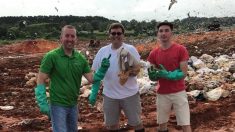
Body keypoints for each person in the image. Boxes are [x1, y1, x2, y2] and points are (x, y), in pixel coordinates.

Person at [34, 25, 110, 132]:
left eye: (72, 36)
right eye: (67, 36)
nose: (70, 39)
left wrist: (102, 69)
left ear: (76, 39)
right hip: (57, 105)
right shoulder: (52, 56)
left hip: (73, 105)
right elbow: (41, 79)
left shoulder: (80, 59)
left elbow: (92, 78)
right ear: (61, 38)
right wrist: (42, 101)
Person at [90, 23, 145, 132]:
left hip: (130, 94)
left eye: (119, 33)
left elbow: (138, 70)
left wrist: (128, 72)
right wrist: (94, 91)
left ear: (123, 35)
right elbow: (94, 73)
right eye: (113, 33)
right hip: (110, 96)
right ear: (109, 35)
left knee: (137, 123)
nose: (116, 35)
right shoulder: (102, 52)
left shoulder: (130, 49)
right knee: (112, 126)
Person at [147, 22, 192, 132]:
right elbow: (153, 76)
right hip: (162, 93)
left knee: (185, 123)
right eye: (161, 31)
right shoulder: (154, 53)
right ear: (157, 34)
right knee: (162, 123)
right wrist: (152, 76)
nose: (163, 33)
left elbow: (184, 72)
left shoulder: (180, 49)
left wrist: (170, 75)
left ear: (171, 33)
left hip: (179, 92)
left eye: (166, 30)